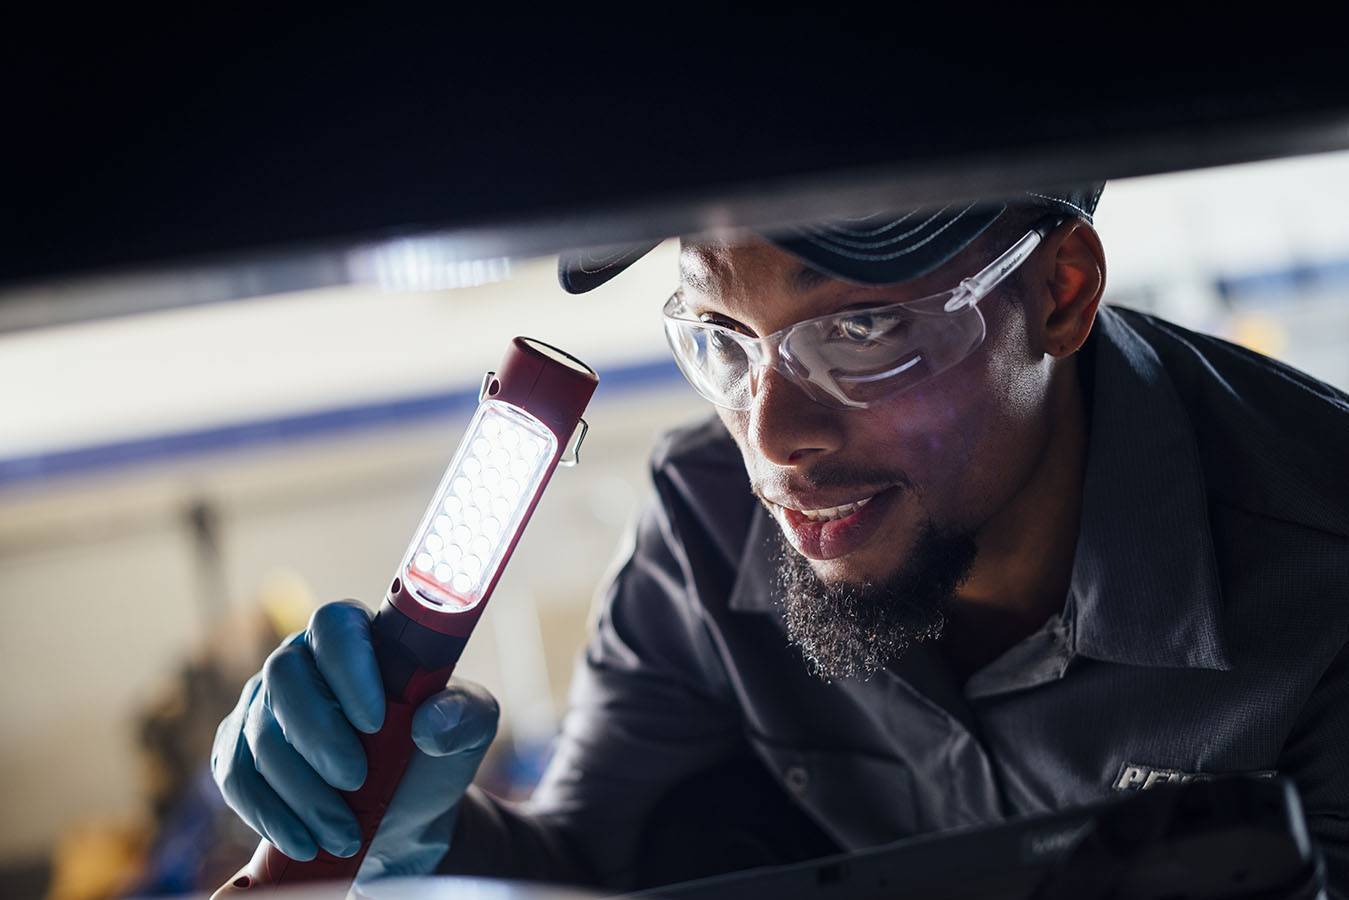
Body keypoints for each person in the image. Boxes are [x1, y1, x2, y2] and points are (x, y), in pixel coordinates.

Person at [212, 185, 1349, 894]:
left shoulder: (1318, 579)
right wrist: (420, 837)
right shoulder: (705, 529)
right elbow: (584, 867)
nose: (772, 437)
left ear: (1057, 291)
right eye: (720, 339)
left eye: (860, 330)